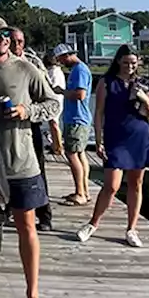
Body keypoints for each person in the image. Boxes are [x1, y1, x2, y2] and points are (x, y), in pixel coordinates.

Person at [0, 12, 62, 298]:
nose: (2, 40)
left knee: (26, 226)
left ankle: (32, 292)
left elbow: (53, 105)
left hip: (21, 164)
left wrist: (26, 112)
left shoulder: (26, 68)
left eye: (5, 35)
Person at [75, 45, 149, 248]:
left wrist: (143, 99)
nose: (129, 66)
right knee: (111, 186)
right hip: (115, 138)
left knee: (136, 184)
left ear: (138, 62)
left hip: (139, 138)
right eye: (125, 62)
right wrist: (98, 139)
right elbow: (98, 113)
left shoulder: (144, 84)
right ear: (117, 61)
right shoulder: (106, 82)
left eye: (133, 62)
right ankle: (92, 223)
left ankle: (132, 229)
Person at [9, 28, 58, 231]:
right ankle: (5, 209)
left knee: (37, 168)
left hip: (31, 122)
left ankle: (44, 214)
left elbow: (47, 96)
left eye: (20, 41)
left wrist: (29, 110)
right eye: (13, 41)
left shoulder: (32, 63)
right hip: (6, 125)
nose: (16, 45)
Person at [54, 44, 93, 206]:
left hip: (77, 119)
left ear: (67, 55)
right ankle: (85, 191)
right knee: (80, 154)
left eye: (61, 59)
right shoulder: (79, 69)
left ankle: (80, 193)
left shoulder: (79, 70)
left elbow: (80, 94)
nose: (61, 62)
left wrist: (61, 92)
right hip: (78, 118)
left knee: (72, 155)